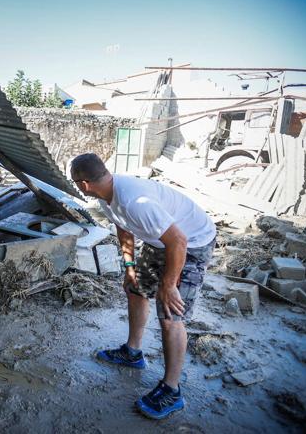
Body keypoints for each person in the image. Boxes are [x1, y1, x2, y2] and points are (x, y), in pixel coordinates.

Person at [70, 153, 216, 420]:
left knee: (170, 314)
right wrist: (129, 268)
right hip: (162, 242)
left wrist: (169, 284)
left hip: (192, 243)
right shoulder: (107, 195)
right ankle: (132, 352)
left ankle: (172, 390)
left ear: (84, 184)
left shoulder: (135, 200)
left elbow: (179, 241)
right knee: (135, 289)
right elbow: (124, 229)